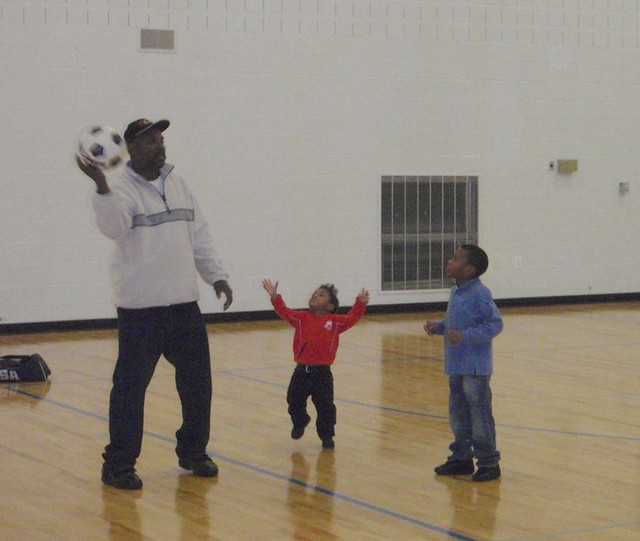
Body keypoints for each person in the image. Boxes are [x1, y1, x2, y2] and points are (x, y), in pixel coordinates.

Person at [76, 118, 233, 490]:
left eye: (161, 139)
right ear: (129, 148)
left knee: (198, 385)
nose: (159, 146)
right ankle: (118, 465)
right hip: (141, 312)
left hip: (184, 308)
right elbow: (113, 227)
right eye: (149, 141)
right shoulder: (120, 190)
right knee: (130, 390)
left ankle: (193, 452)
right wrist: (100, 184)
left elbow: (200, 235)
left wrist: (217, 276)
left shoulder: (179, 184)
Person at [424, 244, 503, 482]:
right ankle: (461, 458)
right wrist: (440, 327)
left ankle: (489, 462)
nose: (449, 261)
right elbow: (456, 323)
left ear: (469, 269)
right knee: (458, 415)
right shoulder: (457, 292)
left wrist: (467, 336)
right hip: (457, 365)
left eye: (456, 259)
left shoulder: (480, 293)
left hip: (475, 368)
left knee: (479, 416)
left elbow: (495, 324)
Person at [262, 279, 369, 449]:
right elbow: (284, 311)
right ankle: (300, 420)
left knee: (325, 407)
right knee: (293, 400)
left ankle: (326, 435)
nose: (315, 296)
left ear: (330, 306)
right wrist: (275, 296)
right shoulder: (301, 318)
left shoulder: (335, 322)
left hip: (323, 375)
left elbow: (353, 317)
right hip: (301, 372)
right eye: (315, 293)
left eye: (321, 295)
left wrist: (360, 303)